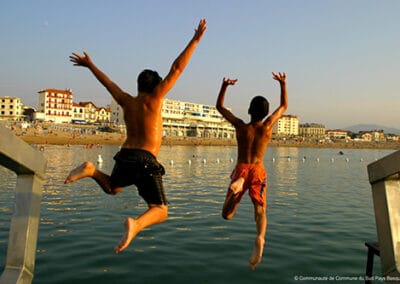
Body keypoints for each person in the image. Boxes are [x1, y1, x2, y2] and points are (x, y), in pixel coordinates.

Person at [64, 19, 206, 254]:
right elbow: (177, 68)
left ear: (139, 85)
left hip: (126, 155)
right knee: (160, 210)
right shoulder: (155, 98)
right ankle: (136, 224)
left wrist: (90, 65)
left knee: (112, 187)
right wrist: (195, 40)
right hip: (146, 159)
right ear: (156, 86)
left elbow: (108, 83)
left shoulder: (126, 101)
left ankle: (90, 170)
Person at [215, 72, 288, 270]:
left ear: (249, 110)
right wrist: (283, 84)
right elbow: (283, 107)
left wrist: (224, 87)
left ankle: (236, 188)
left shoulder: (240, 126)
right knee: (260, 211)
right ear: (265, 113)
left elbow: (220, 107)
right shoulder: (267, 127)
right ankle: (260, 237)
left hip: (241, 169)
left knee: (226, 216)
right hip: (258, 169)